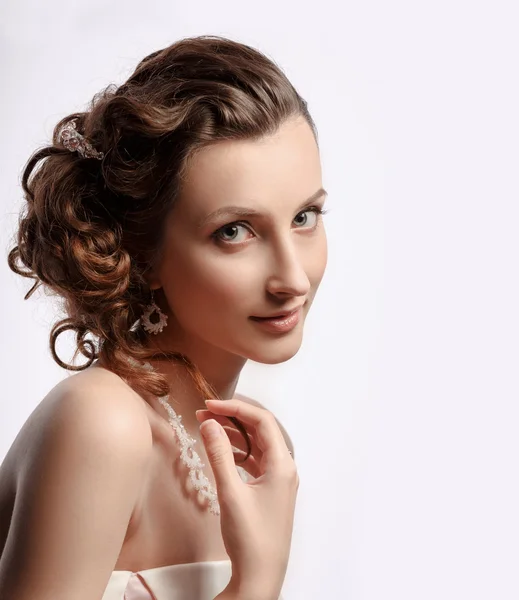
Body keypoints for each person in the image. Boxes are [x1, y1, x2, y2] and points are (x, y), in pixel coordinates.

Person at [0, 35, 328, 600]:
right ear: (143, 252)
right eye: (234, 232)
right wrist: (255, 583)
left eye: (305, 216)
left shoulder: (253, 440)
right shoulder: (103, 424)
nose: (293, 278)